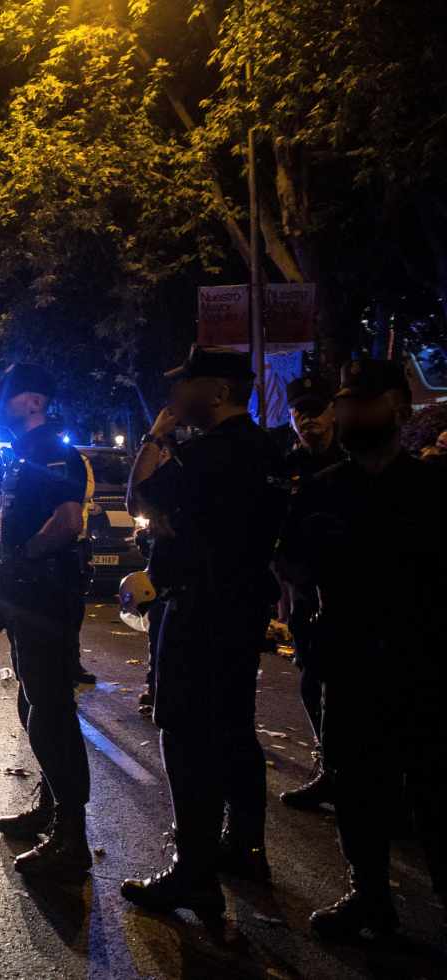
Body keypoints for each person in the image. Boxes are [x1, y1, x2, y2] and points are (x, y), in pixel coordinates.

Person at [277, 359, 447, 940]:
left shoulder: (431, 487)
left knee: (429, 789)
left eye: (361, 403)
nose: (349, 414)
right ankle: (369, 894)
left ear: (396, 411)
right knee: (355, 786)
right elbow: (292, 560)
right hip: (347, 660)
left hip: (421, 662)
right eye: (344, 403)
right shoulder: (326, 489)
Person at [121, 345, 290, 919]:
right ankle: (245, 847)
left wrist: (157, 435)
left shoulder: (209, 453)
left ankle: (193, 874)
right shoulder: (268, 449)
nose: (175, 394)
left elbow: (138, 495)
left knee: (185, 733)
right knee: (235, 729)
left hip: (198, 609)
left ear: (217, 392)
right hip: (244, 608)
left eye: (186, 383)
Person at [0, 363, 95, 878]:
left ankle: (71, 836)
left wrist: (23, 555)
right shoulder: (23, 454)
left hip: (45, 593)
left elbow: (68, 522)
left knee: (50, 709)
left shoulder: (52, 448)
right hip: (26, 595)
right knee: (33, 700)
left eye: (6, 397)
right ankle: (51, 807)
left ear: (32, 401)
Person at [277, 375, 346, 811]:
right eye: (301, 412)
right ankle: (330, 767)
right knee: (311, 680)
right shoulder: (287, 467)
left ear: (332, 413)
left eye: (317, 410)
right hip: (306, 592)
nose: (309, 420)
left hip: (354, 592)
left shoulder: (352, 460)